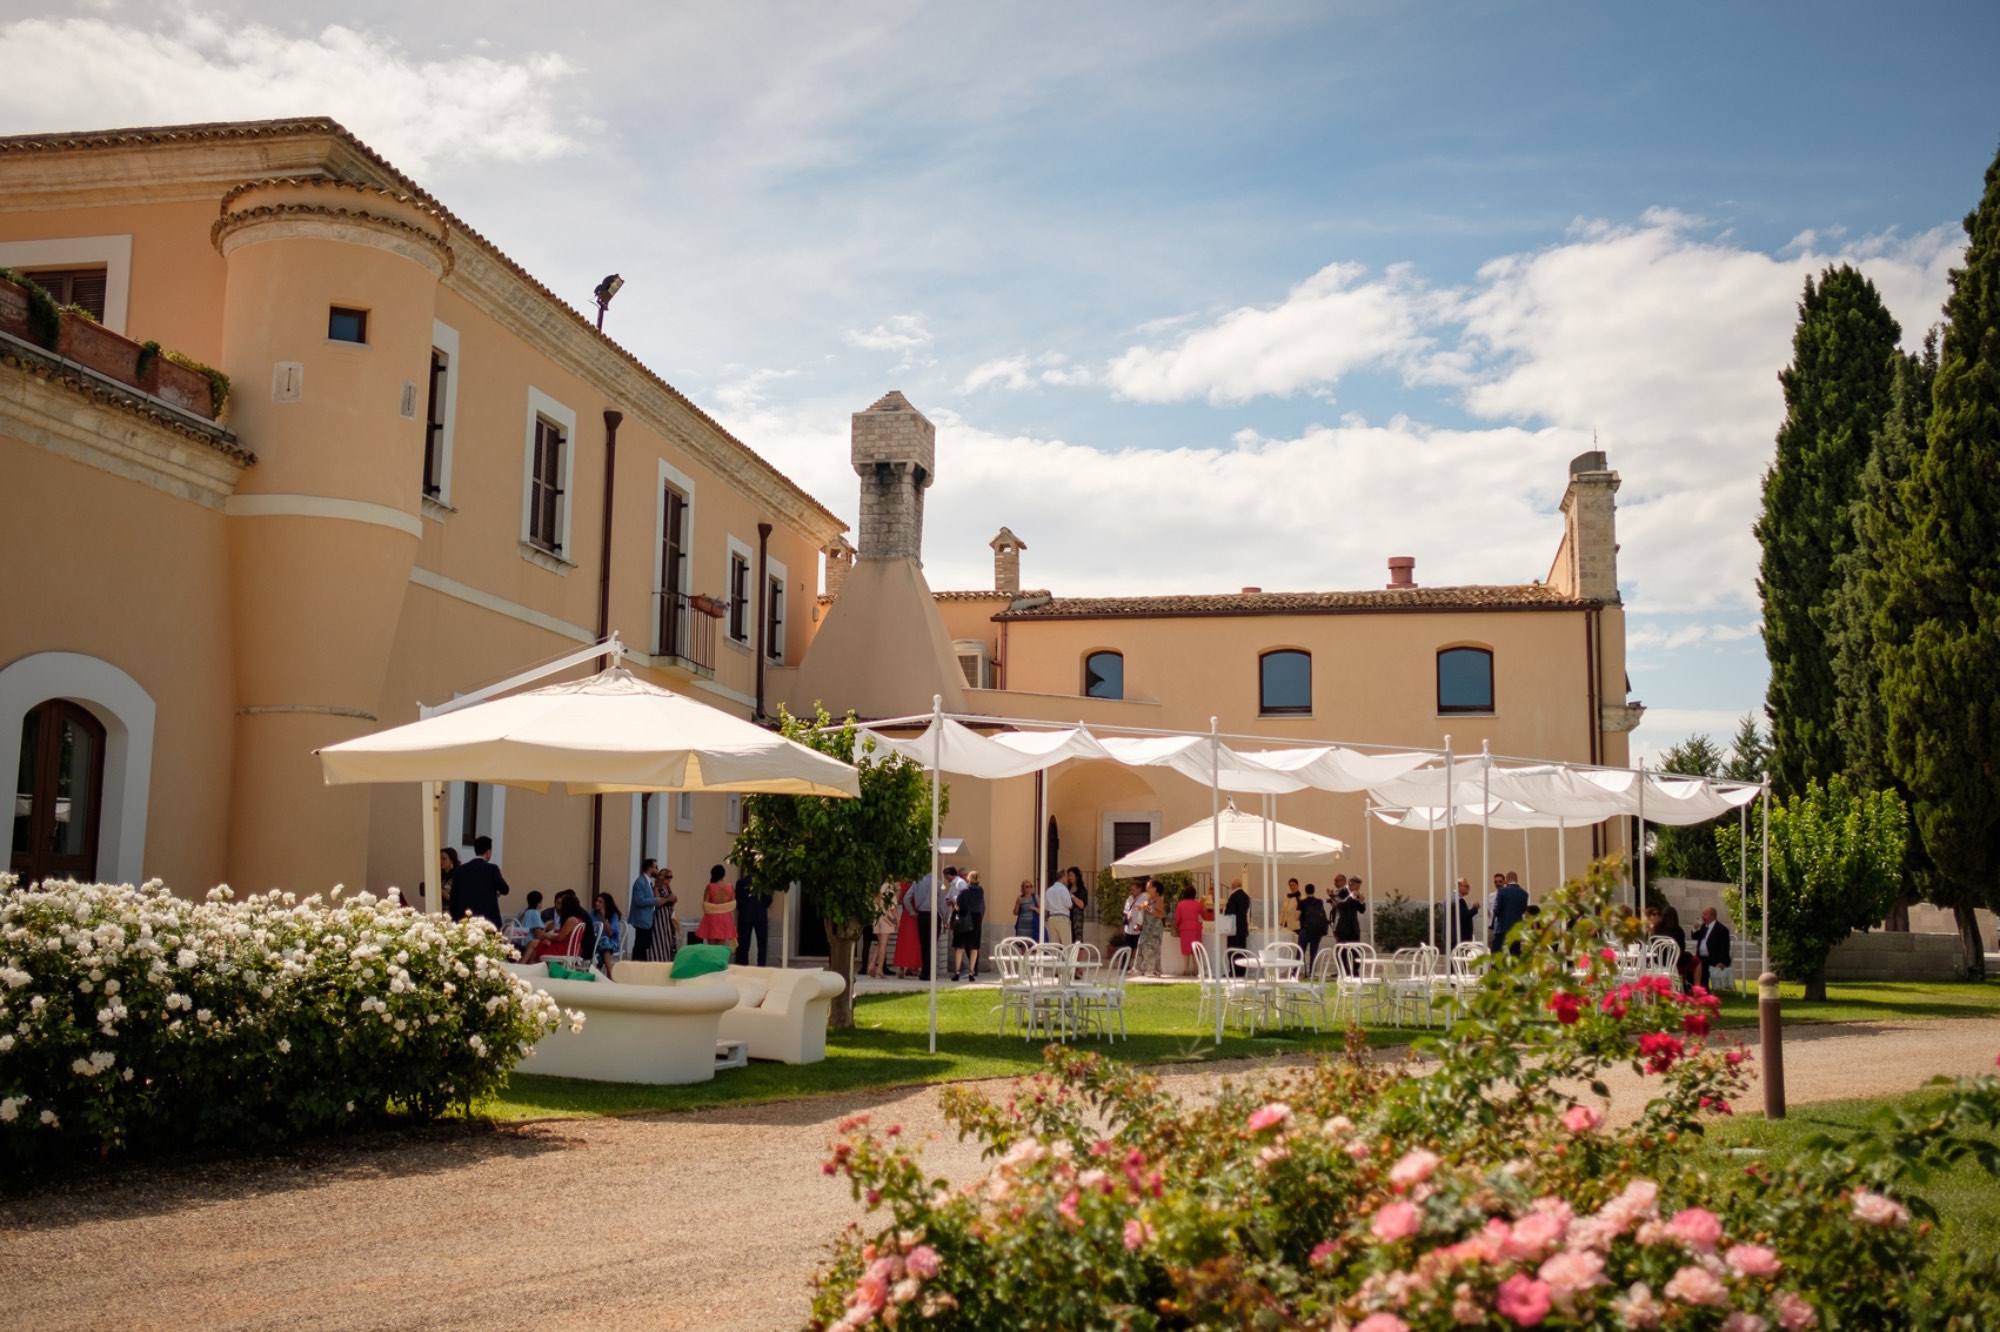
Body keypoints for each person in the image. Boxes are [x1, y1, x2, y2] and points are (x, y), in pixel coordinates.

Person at [450, 835, 510, 930]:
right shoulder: (492, 869)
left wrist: (455, 918)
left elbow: (453, 896)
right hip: (488, 920)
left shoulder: (460, 870)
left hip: (465, 919)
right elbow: (505, 889)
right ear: (488, 852)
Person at [522, 896, 589, 963]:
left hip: (565, 949)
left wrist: (546, 937)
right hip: (572, 948)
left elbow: (560, 938)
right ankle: (529, 966)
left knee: (533, 943)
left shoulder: (571, 920)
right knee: (535, 946)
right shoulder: (579, 920)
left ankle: (521, 964)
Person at [951, 870, 986, 980]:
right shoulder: (980, 891)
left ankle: (957, 972)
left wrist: (953, 917)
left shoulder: (963, 891)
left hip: (964, 918)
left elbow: (958, 906)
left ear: (968, 879)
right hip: (976, 919)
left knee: (959, 947)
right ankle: (971, 972)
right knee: (974, 947)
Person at [905, 872, 939, 979]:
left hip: (922, 915)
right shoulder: (937, 882)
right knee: (932, 944)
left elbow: (906, 898)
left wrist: (912, 911)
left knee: (924, 944)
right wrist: (944, 917)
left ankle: (924, 971)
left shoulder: (916, 882)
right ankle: (930, 972)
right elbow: (942, 902)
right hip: (934, 915)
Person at [1691, 906, 1732, 991]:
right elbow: (1695, 936)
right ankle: (1694, 988)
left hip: (1714, 958)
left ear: (1713, 916)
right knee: (1689, 964)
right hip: (1700, 957)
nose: (1703, 916)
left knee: (1701, 966)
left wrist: (1722, 962)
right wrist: (1695, 928)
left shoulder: (1721, 929)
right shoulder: (1704, 927)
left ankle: (1703, 989)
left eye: (1705, 914)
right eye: (1702, 914)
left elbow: (1725, 947)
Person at [696, 863, 737, 948]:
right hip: (725, 918)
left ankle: (711, 961)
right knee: (721, 947)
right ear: (723, 874)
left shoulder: (710, 887)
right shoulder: (730, 887)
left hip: (712, 918)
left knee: (711, 947)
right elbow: (733, 904)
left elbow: (705, 905)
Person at [735, 864, 769, 966]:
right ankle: (761, 966)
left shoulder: (741, 883)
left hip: (745, 916)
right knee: (762, 945)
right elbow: (769, 899)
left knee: (744, 945)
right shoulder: (763, 883)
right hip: (761, 916)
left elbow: (738, 902)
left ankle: (743, 965)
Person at [1490, 872, 1530, 955]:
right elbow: (1523, 910)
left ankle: (1498, 968)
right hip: (1516, 928)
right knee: (1515, 954)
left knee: (1497, 953)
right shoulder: (1524, 893)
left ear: (1506, 880)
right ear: (1517, 880)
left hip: (1502, 927)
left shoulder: (1502, 891)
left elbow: (1496, 910)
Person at [629, 858, 659, 963]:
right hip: (641, 919)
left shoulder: (648, 882)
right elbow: (639, 900)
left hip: (647, 920)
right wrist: (656, 900)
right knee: (640, 946)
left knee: (643, 946)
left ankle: (641, 965)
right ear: (650, 868)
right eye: (655, 867)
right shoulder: (640, 882)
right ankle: (636, 965)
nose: (657, 869)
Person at [869, 881, 900, 978]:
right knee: (883, 944)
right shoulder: (888, 887)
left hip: (876, 916)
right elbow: (892, 905)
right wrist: (897, 919)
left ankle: (872, 964)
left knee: (880, 942)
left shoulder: (875, 887)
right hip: (886, 917)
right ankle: (879, 968)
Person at [891, 880, 923, 975]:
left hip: (906, 914)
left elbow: (899, 900)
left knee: (904, 942)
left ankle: (902, 968)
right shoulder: (919, 883)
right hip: (915, 915)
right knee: (916, 943)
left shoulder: (903, 885)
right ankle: (914, 967)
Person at [1296, 881, 1329, 970]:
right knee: (1313, 952)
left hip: (1305, 930)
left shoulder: (1302, 902)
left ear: (1305, 891)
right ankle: (1312, 972)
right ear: (1314, 891)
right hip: (1316, 931)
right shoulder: (1319, 902)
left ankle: (1296, 971)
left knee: (1300, 951)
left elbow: (1297, 917)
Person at [1136, 877, 1166, 976]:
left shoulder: (1158, 900)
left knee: (1153, 948)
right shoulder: (1148, 899)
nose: (1147, 889)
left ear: (1155, 888)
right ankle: (1141, 968)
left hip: (1155, 928)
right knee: (1142, 945)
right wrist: (1140, 908)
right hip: (1147, 927)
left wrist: (1148, 909)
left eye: (1149, 887)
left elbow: (1161, 914)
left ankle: (1152, 970)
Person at [648, 865, 679, 961]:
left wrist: (674, 900)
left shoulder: (668, 888)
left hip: (668, 916)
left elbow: (670, 903)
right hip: (660, 916)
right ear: (662, 877)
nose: (670, 879)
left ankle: (667, 959)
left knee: (668, 939)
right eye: (667, 877)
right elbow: (657, 902)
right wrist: (668, 899)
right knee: (659, 938)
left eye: (671, 877)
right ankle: (658, 958)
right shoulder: (657, 888)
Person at [1173, 884, 1205, 976]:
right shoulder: (1198, 904)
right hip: (1196, 929)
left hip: (1184, 929)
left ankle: (1186, 970)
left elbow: (1177, 919)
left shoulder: (1180, 904)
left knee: (1186, 951)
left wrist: (1178, 926)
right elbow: (1204, 915)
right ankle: (1196, 970)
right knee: (1196, 951)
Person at [1224, 878, 1252, 973]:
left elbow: (1229, 912)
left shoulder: (1233, 896)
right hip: (1243, 927)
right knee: (1241, 950)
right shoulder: (1246, 896)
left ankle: (1234, 971)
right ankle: (1242, 970)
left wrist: (1225, 909)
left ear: (1233, 886)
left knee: (1232, 950)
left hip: (1233, 928)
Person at [593, 891, 625, 972]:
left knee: (604, 940)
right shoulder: (593, 914)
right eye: (596, 901)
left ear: (606, 904)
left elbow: (610, 933)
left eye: (600, 902)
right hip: (596, 943)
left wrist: (604, 918)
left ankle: (609, 970)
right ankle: (600, 972)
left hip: (612, 943)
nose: (597, 903)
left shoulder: (613, 915)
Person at [1445, 878, 1479, 951]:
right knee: (1460, 960)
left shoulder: (1447, 898)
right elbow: (1465, 916)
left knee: (1453, 959)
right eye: (1466, 886)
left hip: (1450, 935)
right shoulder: (1459, 900)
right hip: (1460, 937)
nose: (1469, 889)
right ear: (1459, 886)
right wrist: (1475, 908)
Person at [1043, 869, 1075, 946]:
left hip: (1052, 918)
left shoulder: (1049, 890)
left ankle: (1055, 958)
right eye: (1066, 877)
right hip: (1062, 918)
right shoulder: (1064, 889)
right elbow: (1069, 905)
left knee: (1054, 945)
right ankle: (1068, 958)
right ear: (1063, 877)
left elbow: (1046, 906)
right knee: (1067, 945)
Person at [439, 846, 460, 915]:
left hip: (450, 912)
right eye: (439, 859)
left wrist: (440, 891)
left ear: (451, 860)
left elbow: (456, 899)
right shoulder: (440, 875)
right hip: (439, 911)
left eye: (444, 859)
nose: (441, 861)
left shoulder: (457, 876)